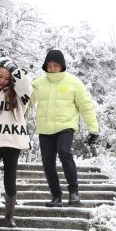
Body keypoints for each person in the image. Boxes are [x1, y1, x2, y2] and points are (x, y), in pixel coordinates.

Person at [32, 49, 99, 207]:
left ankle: (74, 192)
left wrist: (93, 129)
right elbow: (25, 102)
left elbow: (86, 106)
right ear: (45, 66)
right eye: (49, 65)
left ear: (62, 66)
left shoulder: (73, 82)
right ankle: (56, 196)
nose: (52, 68)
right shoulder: (38, 83)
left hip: (66, 126)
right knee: (48, 162)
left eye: (56, 65)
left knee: (64, 152)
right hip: (45, 129)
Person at [0, 59, 33, 231]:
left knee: (10, 179)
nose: (2, 80)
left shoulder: (19, 95)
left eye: (6, 77)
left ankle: (9, 216)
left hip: (12, 142)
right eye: (0, 76)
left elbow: (26, 84)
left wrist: (13, 68)